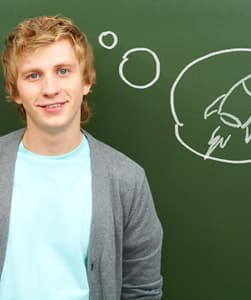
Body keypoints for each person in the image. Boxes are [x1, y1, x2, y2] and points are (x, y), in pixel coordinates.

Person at [0, 15, 163, 299]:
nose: (50, 89)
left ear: (86, 81)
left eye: (63, 71)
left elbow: (141, 291)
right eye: (33, 75)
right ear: (14, 91)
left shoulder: (126, 180)